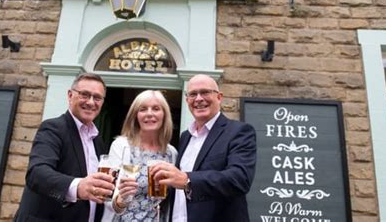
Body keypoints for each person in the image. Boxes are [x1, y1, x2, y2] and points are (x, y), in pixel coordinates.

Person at [14, 73, 137, 222]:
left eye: (97, 98)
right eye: (85, 95)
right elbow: (37, 174)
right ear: (70, 95)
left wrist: (119, 196)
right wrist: (78, 187)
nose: (91, 102)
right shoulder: (53, 128)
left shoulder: (98, 141)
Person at [150, 74, 257, 222]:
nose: (199, 99)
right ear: (187, 100)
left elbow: (239, 179)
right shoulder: (185, 137)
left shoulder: (239, 131)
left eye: (205, 92)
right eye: (193, 94)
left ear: (219, 97)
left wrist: (187, 180)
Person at [101, 90, 178, 222]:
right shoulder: (121, 146)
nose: (149, 114)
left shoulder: (171, 153)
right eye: (143, 109)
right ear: (135, 115)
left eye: (156, 108)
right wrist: (120, 201)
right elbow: (107, 194)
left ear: (164, 115)